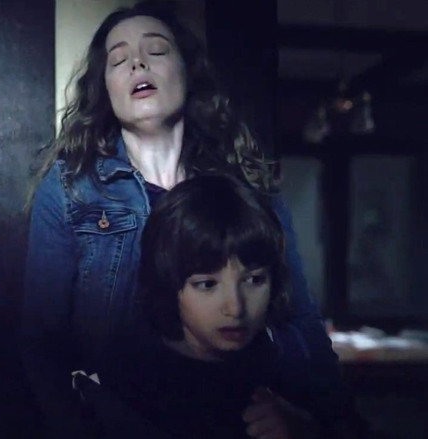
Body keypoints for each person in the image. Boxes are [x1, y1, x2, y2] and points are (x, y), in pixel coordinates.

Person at [20, 1, 341, 436]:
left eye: (156, 50)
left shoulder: (245, 181)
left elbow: (298, 318)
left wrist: (324, 422)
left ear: (187, 72)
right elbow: (42, 342)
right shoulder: (71, 187)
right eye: (119, 59)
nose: (138, 63)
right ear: (105, 88)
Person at [73, 175, 345, 438]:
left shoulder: (287, 369)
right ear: (169, 284)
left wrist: (303, 429)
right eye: (207, 284)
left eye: (254, 280)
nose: (235, 308)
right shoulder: (127, 384)